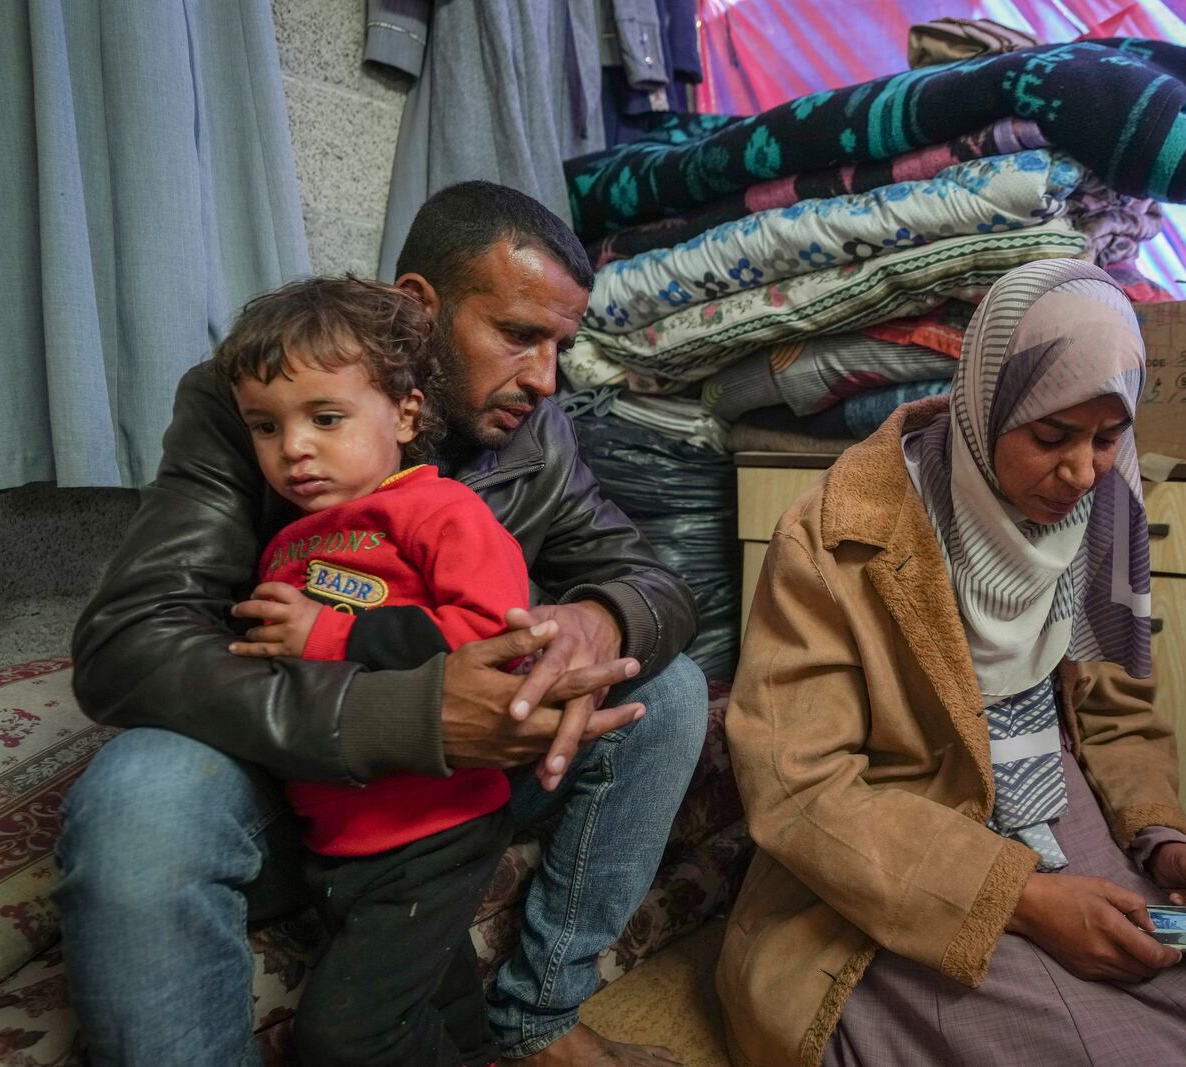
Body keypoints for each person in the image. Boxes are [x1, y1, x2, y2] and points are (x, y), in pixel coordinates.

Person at [58, 182, 706, 1067]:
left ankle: (537, 1018)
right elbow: (127, 643)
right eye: (519, 335)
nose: (548, 378)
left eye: (561, 344)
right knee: (140, 797)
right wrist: (409, 713)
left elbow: (650, 579)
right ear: (418, 305)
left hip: (456, 787)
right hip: (297, 762)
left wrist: (599, 615)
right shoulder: (252, 398)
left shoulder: (534, 433)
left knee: (663, 688)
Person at [719, 259, 1186, 1067]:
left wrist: (1169, 845)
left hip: (1054, 807)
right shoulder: (835, 533)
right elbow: (803, 789)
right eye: (1051, 435)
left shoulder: (1099, 512)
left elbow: (1116, 710)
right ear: (986, 403)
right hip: (897, 857)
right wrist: (1018, 898)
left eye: (1109, 438)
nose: (1082, 471)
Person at [215, 275, 529, 1066]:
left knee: (347, 1035)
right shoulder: (288, 539)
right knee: (441, 1003)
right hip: (339, 833)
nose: (293, 448)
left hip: (430, 825)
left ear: (407, 413)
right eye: (265, 425)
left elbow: (493, 641)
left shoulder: (441, 511)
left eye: (325, 418)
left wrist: (332, 632)